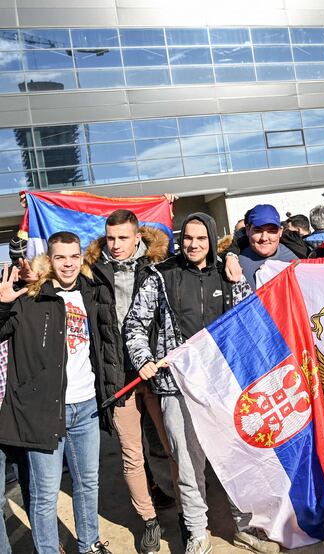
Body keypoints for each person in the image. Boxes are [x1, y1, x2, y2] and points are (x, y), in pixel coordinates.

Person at [123, 214, 262, 554]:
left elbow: (248, 319)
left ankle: (244, 526)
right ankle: (198, 532)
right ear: (180, 239)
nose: (194, 244)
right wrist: (143, 360)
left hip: (224, 387)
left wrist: (239, 278)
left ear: (212, 240)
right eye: (188, 238)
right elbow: (134, 324)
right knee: (187, 463)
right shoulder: (161, 275)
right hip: (177, 387)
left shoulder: (226, 274)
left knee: (234, 460)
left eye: (201, 238)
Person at [0, 231, 119, 554]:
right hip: (45, 410)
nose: (68, 264)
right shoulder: (31, 296)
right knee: (45, 493)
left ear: (81, 257)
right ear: (49, 261)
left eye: (73, 256)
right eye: (60, 257)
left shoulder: (91, 292)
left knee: (87, 483)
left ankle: (89, 543)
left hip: (87, 406)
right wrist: (1, 302)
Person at [83, 210, 178, 554]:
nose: (116, 244)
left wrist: (227, 254)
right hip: (117, 375)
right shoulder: (90, 272)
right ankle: (149, 521)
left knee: (170, 446)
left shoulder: (159, 266)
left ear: (137, 236)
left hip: (156, 369)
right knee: (131, 453)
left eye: (123, 237)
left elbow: (203, 258)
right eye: (111, 238)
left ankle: (183, 511)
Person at [234, 205, 298, 290]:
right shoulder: (235, 263)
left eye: (271, 231)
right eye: (258, 230)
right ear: (247, 230)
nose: (264, 238)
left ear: (280, 231)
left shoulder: (294, 260)